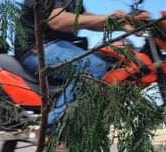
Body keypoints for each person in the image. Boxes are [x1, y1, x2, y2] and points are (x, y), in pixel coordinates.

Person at [15, 0, 149, 129]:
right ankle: (52, 128)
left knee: (108, 62)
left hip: (59, 45)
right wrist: (107, 17)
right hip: (37, 49)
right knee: (93, 67)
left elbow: (85, 19)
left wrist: (119, 23)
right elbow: (57, 21)